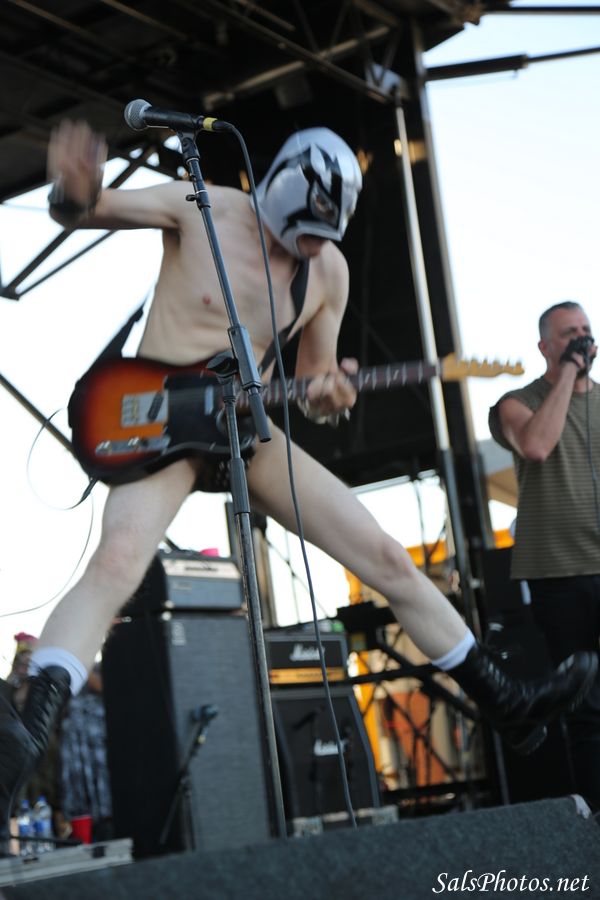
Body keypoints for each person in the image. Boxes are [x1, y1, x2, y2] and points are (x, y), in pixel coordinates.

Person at [0, 122, 596, 847]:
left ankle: (503, 698)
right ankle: (25, 730)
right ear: (275, 193)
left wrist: (330, 394)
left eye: (321, 238)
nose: (309, 249)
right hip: (158, 420)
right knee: (117, 563)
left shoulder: (328, 272)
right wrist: (73, 188)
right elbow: (87, 209)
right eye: (301, 233)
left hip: (247, 429)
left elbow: (314, 382)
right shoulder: (203, 206)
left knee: (386, 556)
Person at [489, 300, 600, 810]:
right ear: (545, 346)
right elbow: (537, 446)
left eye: (586, 329)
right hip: (559, 574)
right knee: (586, 707)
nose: (581, 338)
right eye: (569, 332)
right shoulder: (515, 404)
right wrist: (570, 374)